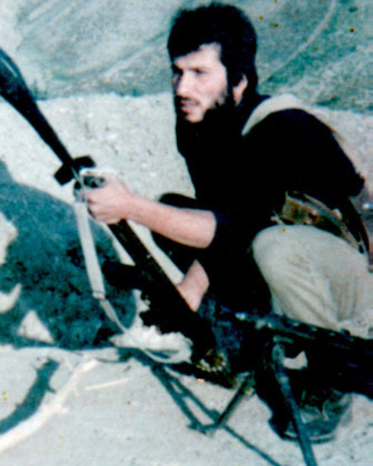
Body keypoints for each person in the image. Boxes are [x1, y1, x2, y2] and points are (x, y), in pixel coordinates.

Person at [85, 2, 372, 442]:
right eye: (177, 72)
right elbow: (223, 222)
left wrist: (132, 208)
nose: (183, 87)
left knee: (272, 247)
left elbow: (238, 227)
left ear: (238, 80)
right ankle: (244, 339)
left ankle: (329, 379)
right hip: (284, 254)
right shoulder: (200, 120)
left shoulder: (282, 129)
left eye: (200, 73)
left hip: (352, 278)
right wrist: (188, 292)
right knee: (174, 212)